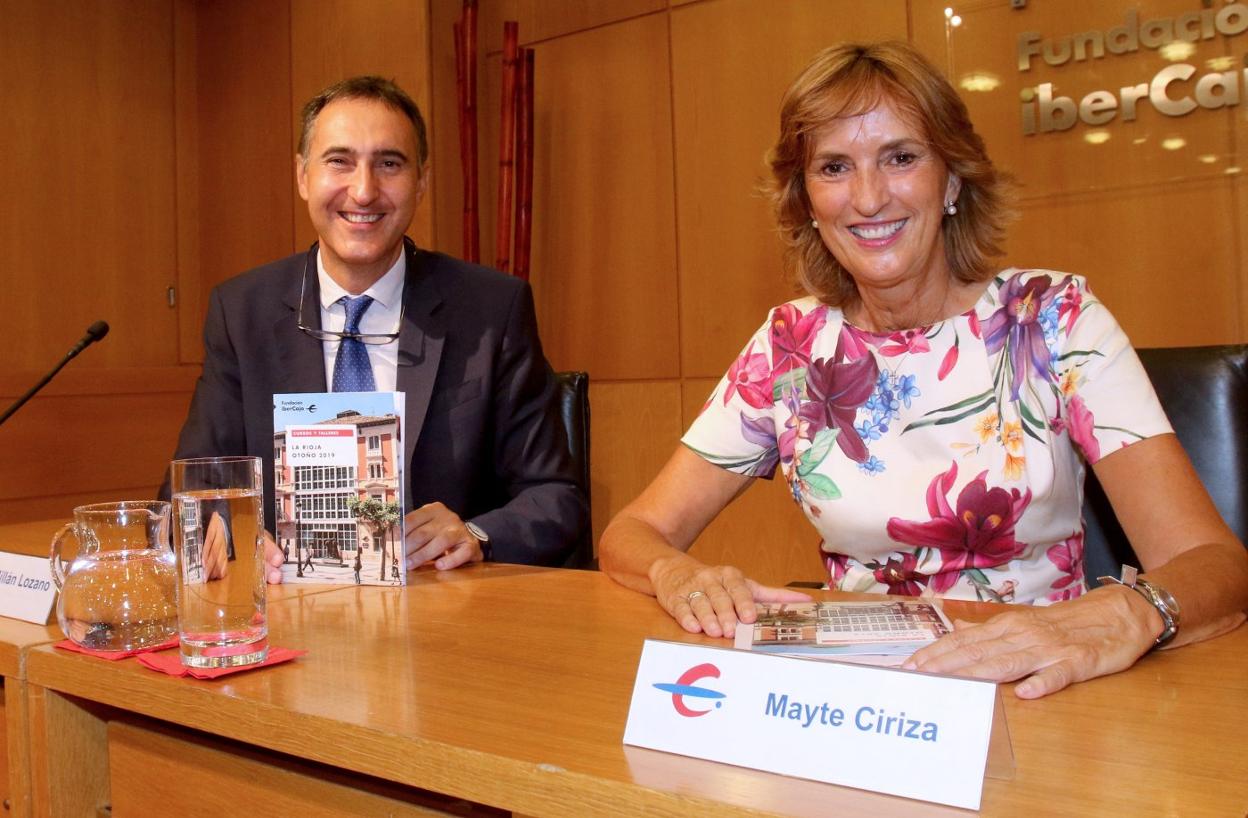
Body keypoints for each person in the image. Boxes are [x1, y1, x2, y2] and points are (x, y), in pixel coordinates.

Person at [599, 42, 1248, 698]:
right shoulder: (790, 346)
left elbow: (1216, 567)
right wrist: (679, 575)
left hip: (1038, 693)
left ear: (953, 179)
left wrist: (1121, 614)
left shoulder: (1053, 319)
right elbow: (634, 533)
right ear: (807, 199)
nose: (869, 197)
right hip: (858, 701)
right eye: (834, 167)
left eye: (901, 158)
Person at [166, 76, 587, 580]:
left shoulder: (490, 309)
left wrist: (475, 535)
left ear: (421, 182)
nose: (364, 191)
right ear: (302, 176)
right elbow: (191, 492)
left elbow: (556, 498)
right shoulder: (242, 312)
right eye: (339, 161)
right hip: (292, 613)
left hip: (446, 614)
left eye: (389, 164)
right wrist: (238, 536)